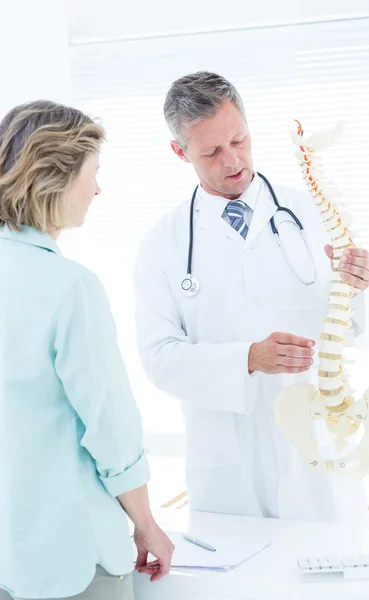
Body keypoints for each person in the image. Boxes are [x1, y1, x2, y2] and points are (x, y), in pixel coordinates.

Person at [133, 71, 369, 525]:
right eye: (211, 151)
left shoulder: (308, 212)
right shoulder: (162, 244)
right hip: (228, 469)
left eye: (240, 140)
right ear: (179, 151)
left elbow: (366, 327)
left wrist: (362, 287)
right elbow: (159, 359)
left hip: (318, 456)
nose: (233, 160)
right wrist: (246, 358)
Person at [0, 101, 174, 600]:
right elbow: (111, 428)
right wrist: (145, 524)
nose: (97, 189)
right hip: (72, 560)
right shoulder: (69, 287)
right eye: (92, 174)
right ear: (53, 178)